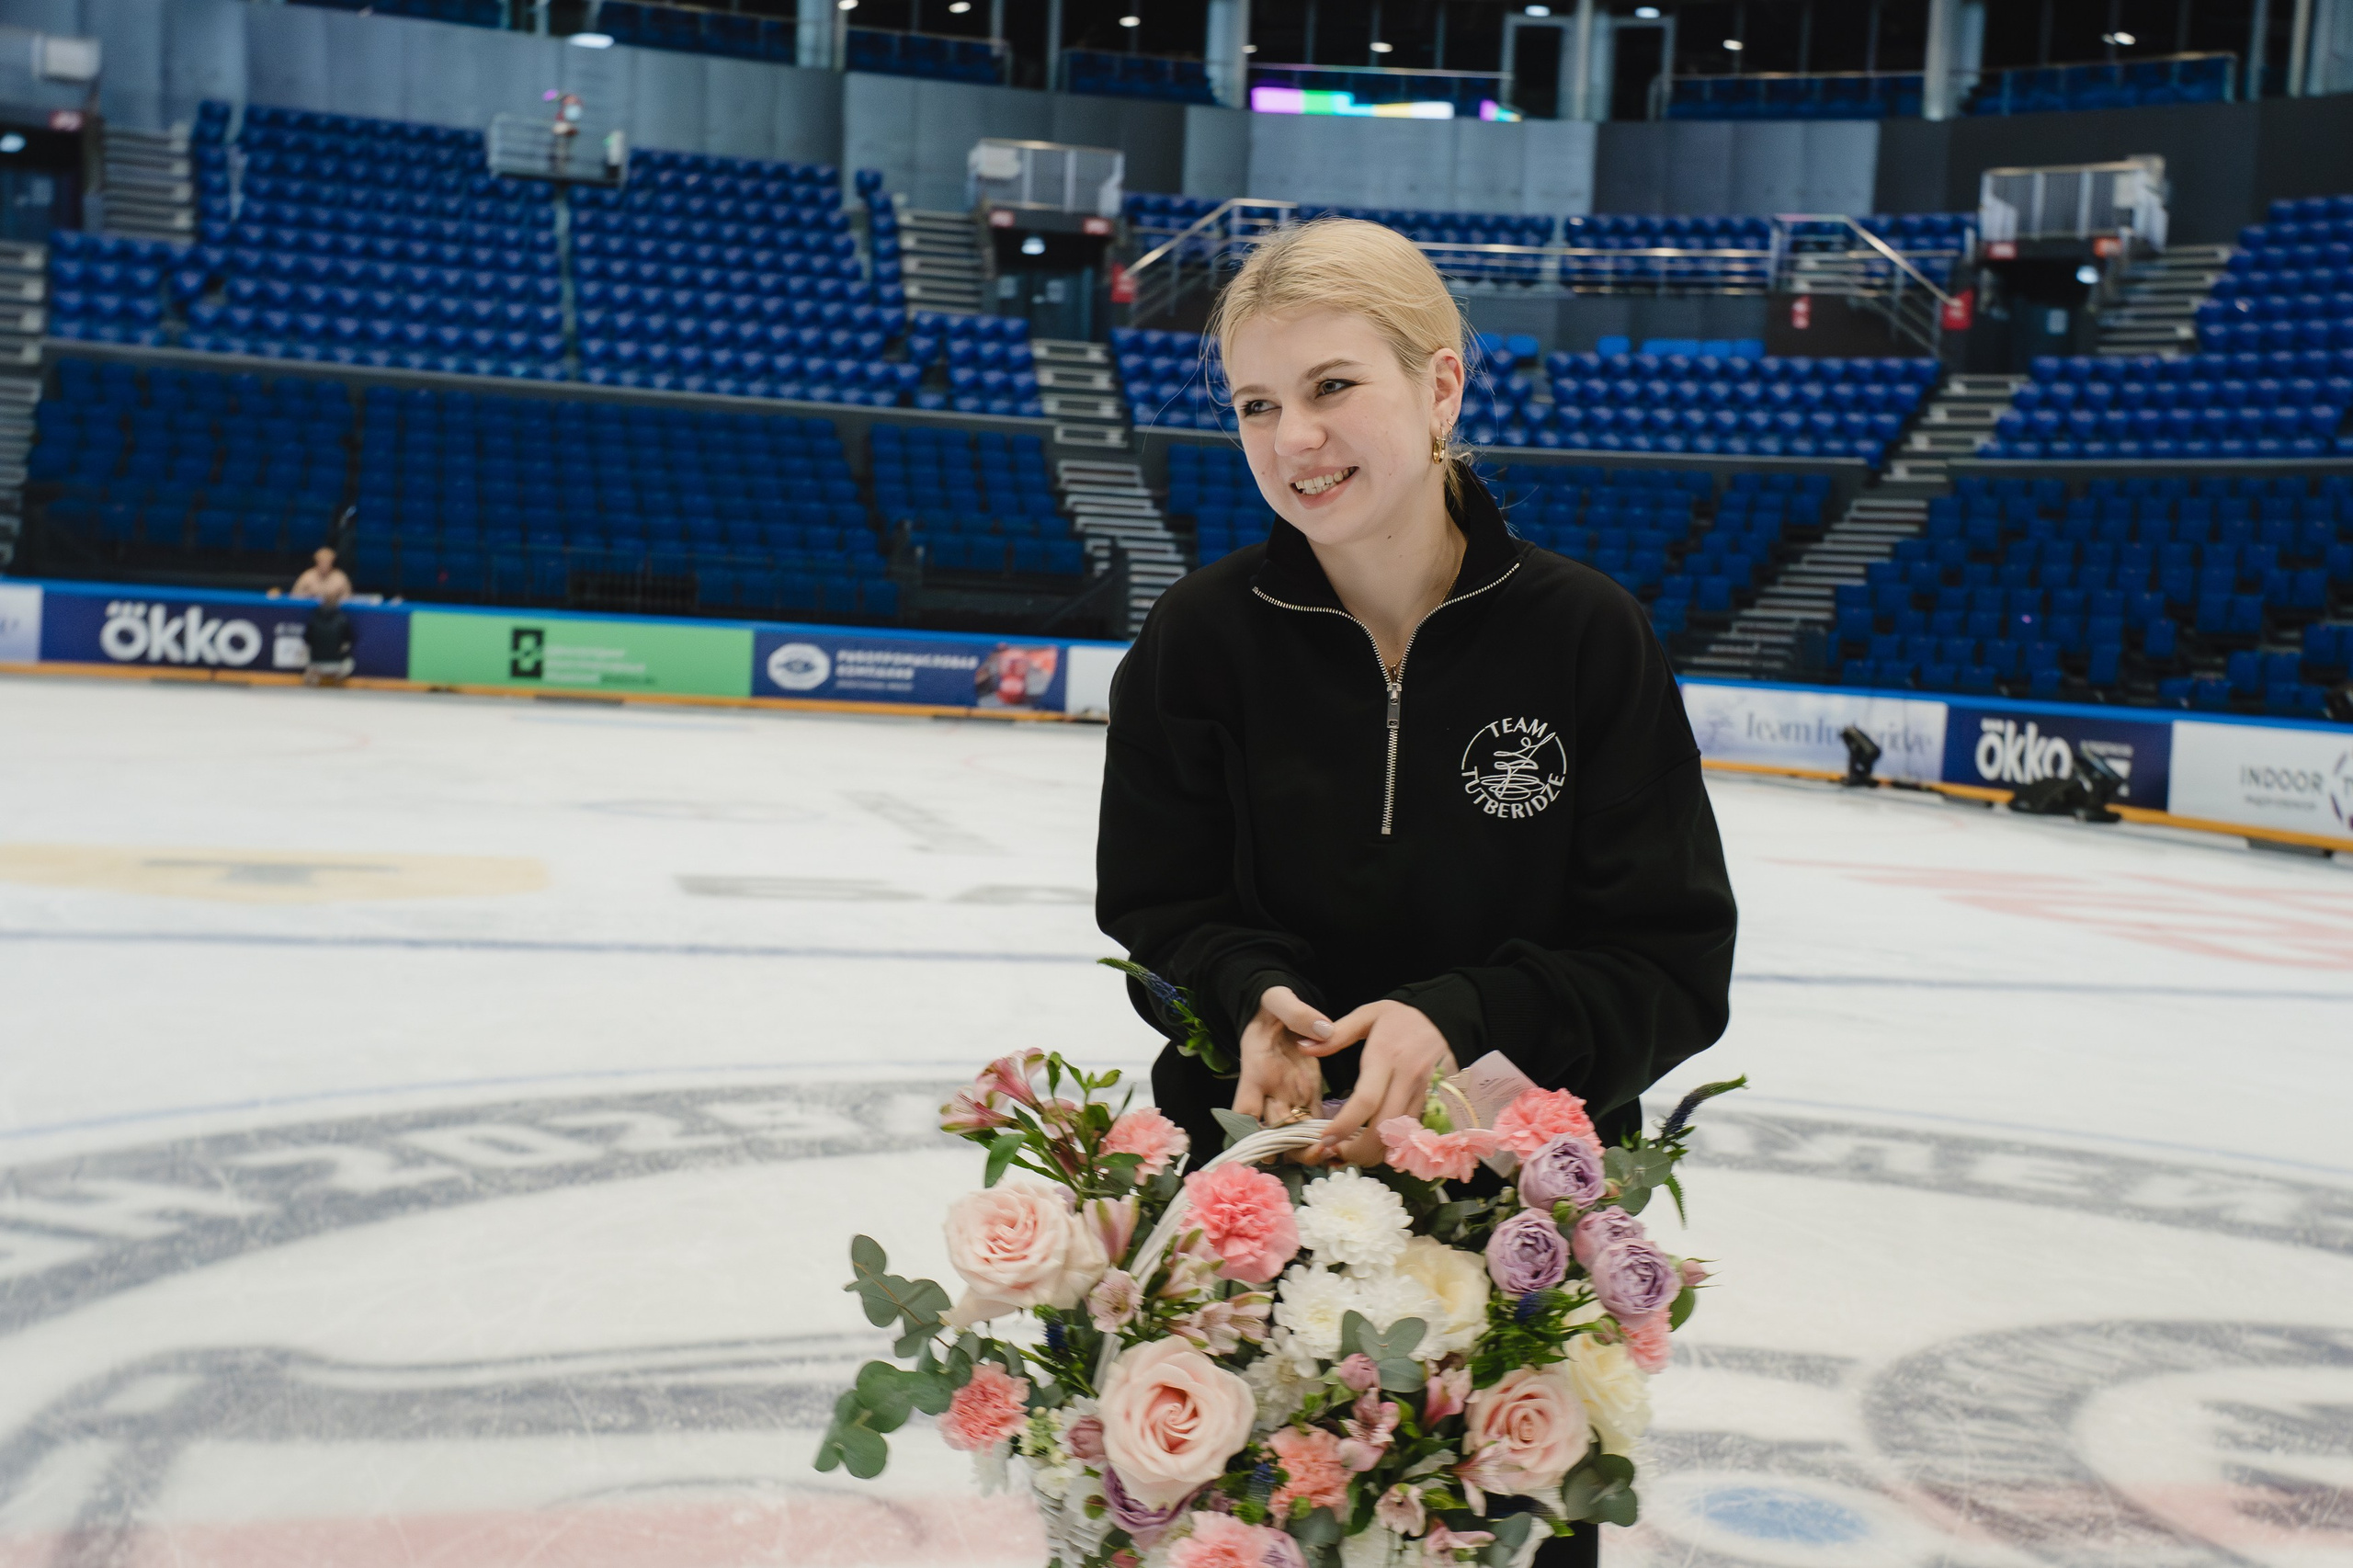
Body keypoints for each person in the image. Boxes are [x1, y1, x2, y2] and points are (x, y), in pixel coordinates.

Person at [1094, 220, 1737, 1566]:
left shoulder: (1585, 640)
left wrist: (1455, 1020)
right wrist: (1243, 992)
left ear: (1441, 386)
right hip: (1252, 1231)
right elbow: (1157, 914)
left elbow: (1670, 965)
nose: (1294, 440)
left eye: (1333, 387)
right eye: (1257, 404)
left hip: (1510, 1258)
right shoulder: (1195, 645)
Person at [301, 585, 357, 686]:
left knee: (305, 649)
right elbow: (349, 641)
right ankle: (337, 679)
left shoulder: (313, 619)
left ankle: (312, 675)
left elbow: (306, 640)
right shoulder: (342, 620)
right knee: (349, 660)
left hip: (315, 664)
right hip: (336, 666)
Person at [284, 547, 352, 601]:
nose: (324, 565)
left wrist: (334, 597)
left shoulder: (340, 578)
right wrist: (308, 595)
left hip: (334, 614)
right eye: (322, 561)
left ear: (332, 562)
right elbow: (294, 597)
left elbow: (348, 599)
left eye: (327, 562)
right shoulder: (307, 576)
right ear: (316, 561)